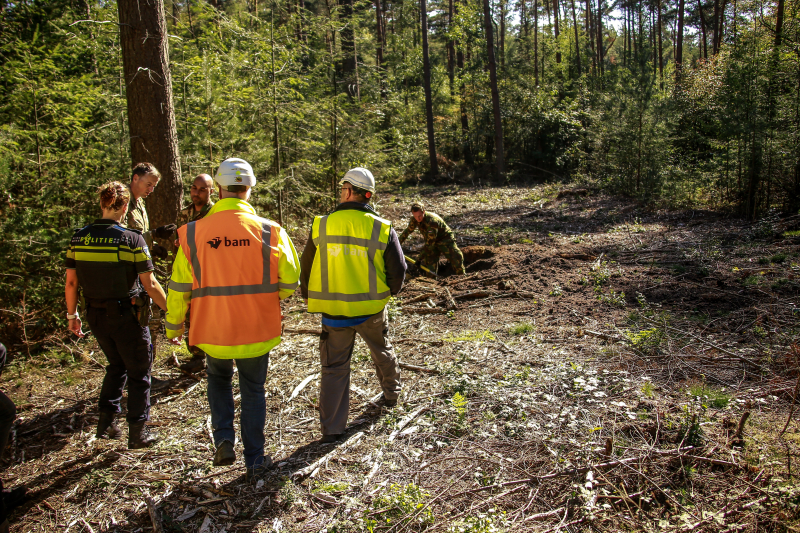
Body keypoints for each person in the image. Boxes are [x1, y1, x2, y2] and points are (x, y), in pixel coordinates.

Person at [165, 158, 301, 481]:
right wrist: (269, 296)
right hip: (256, 328)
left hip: (213, 330)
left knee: (218, 377)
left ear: (220, 189)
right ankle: (254, 458)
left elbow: (178, 286)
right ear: (249, 190)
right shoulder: (270, 231)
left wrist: (174, 325)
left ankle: (224, 439)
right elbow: (291, 279)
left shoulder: (194, 233)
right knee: (253, 389)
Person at [299, 168, 407, 443]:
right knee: (382, 350)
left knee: (334, 368)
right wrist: (389, 292)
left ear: (348, 190)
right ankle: (392, 395)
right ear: (367, 195)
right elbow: (399, 270)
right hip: (371, 309)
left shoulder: (322, 224)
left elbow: (307, 266)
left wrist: (307, 294)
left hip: (334, 313)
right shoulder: (382, 227)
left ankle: (333, 428)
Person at [65, 182, 168, 449]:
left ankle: (107, 422)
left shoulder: (80, 237)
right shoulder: (130, 238)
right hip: (127, 316)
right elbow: (151, 284)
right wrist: (172, 310)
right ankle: (138, 433)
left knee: (116, 365)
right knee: (139, 372)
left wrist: (71, 315)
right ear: (124, 207)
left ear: (102, 204)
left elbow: (71, 283)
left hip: (95, 316)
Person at [124, 162, 177, 390]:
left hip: (143, 268)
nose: (151, 189)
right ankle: (136, 376)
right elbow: (124, 237)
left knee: (150, 323)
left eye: (154, 186)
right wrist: (152, 234)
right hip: (131, 275)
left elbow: (138, 236)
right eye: (149, 184)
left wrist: (152, 244)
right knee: (141, 324)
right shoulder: (122, 203)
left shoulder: (140, 204)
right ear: (135, 178)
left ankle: (145, 373)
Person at [173, 173, 215, 373]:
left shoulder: (215, 213)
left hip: (210, 270)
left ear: (211, 191)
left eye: (202, 189)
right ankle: (197, 356)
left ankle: (216, 352)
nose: (196, 193)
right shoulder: (184, 214)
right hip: (189, 270)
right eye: (193, 188)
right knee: (192, 312)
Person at [398, 202, 465, 275]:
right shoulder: (414, 219)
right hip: (431, 241)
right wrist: (397, 243)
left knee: (455, 258)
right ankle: (431, 281)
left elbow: (429, 244)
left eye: (420, 216)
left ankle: (461, 277)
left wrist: (419, 258)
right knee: (430, 262)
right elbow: (407, 232)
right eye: (415, 216)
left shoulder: (432, 221)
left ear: (424, 211)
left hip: (444, 239)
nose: (418, 218)